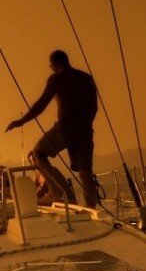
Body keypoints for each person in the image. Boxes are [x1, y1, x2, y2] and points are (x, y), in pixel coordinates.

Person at [6, 49, 101, 207]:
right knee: (85, 171)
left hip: (66, 127)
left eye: (51, 66)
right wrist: (85, 125)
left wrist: (21, 121)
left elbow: (41, 105)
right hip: (85, 128)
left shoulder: (56, 79)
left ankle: (59, 194)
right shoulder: (86, 77)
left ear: (55, 64)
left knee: (38, 153)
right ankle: (91, 207)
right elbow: (94, 107)